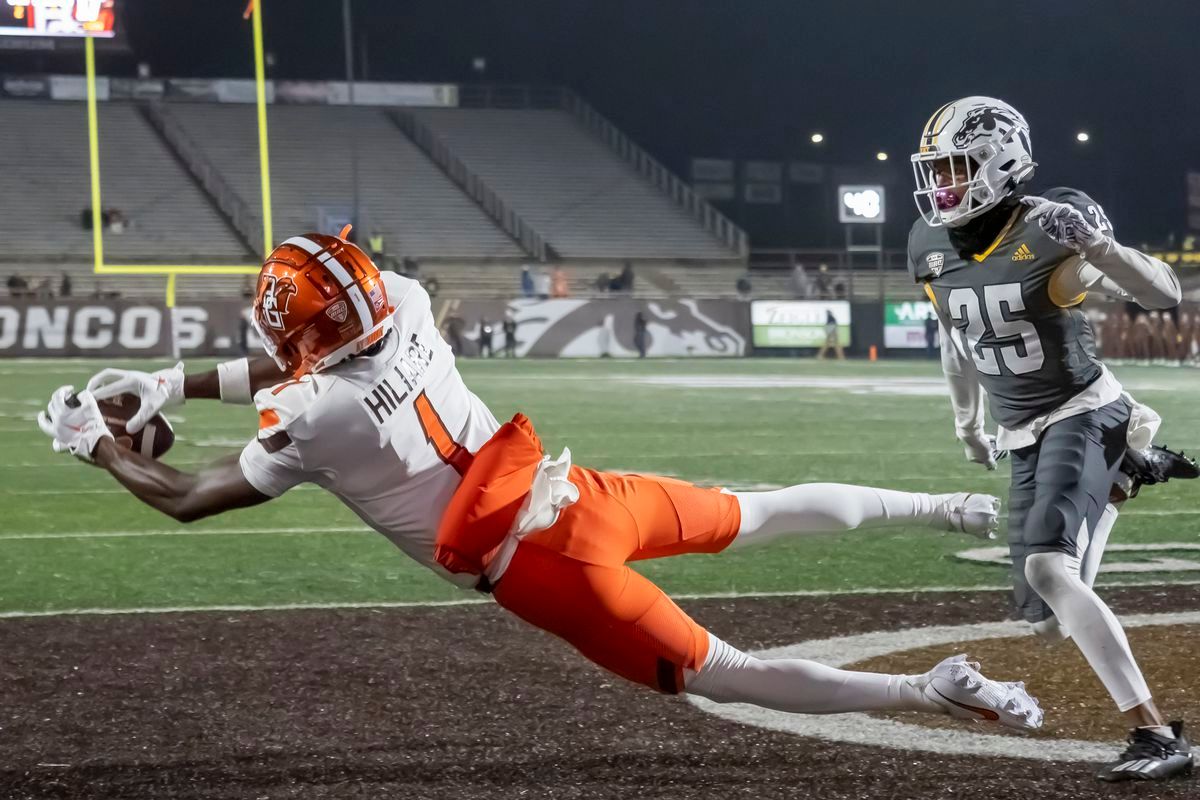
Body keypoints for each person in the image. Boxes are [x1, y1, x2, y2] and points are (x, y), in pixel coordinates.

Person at [39, 227, 1043, 746]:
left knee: (726, 672)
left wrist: (99, 445)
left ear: (309, 337)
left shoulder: (315, 414)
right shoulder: (413, 302)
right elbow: (311, 361)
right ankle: (935, 506)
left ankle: (929, 688)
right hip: (575, 490)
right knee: (760, 505)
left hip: (544, 567)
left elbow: (186, 492)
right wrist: (174, 380)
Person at [909, 96, 1192, 781]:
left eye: (955, 169)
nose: (941, 186)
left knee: (1046, 569)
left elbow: (1165, 295)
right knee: (1045, 616)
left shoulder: (1052, 224)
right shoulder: (929, 245)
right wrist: (967, 424)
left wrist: (1100, 246)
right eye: (935, 171)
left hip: (1082, 408)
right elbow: (957, 339)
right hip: (1023, 430)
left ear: (999, 162)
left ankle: (1158, 737)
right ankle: (1129, 468)